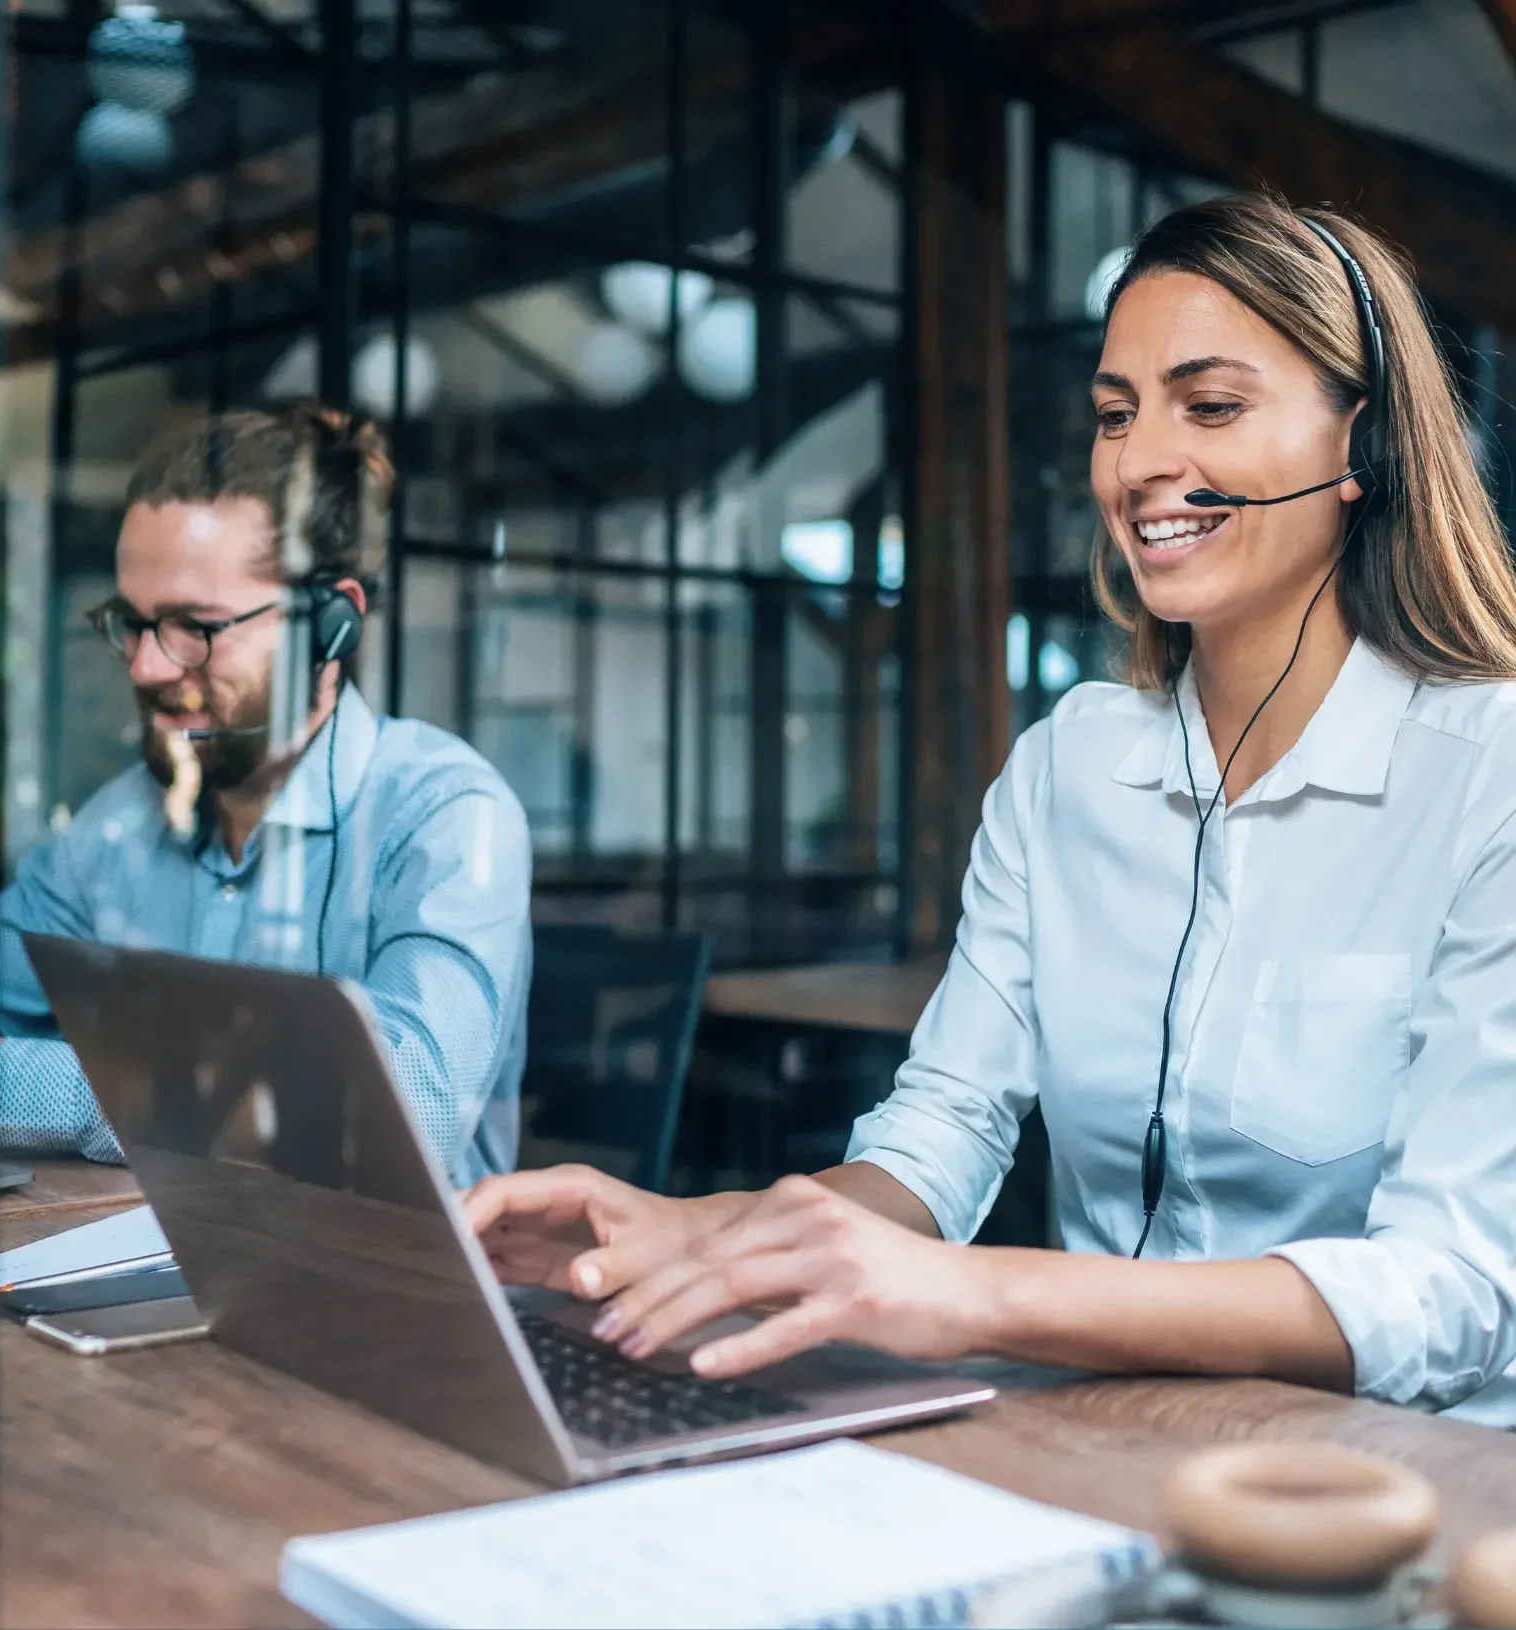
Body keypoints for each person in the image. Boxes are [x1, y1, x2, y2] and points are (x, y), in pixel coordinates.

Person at [468, 193, 1516, 1422]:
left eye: (1213, 406)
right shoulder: (1067, 767)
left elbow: (1454, 1286)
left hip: (1396, 1487)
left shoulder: (1486, 770)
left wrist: (971, 1298)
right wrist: (695, 1235)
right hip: (1098, 1433)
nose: (1141, 463)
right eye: (1116, 416)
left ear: (1366, 448)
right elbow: (940, 1135)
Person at [0, 401, 532, 1187]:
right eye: (134, 621)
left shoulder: (445, 815)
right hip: (147, 1268)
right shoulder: (118, 825)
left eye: (195, 627)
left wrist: (1, 1084)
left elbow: (403, 1112)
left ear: (332, 626)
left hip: (389, 1292)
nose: (146, 667)